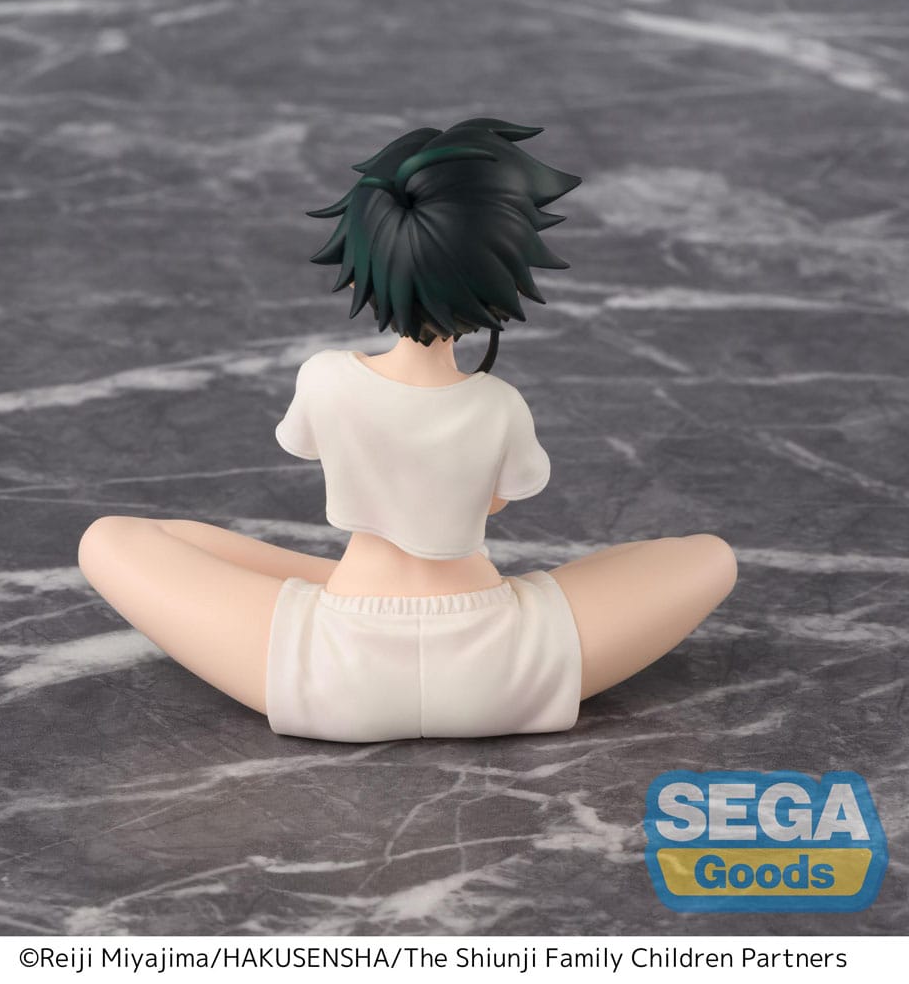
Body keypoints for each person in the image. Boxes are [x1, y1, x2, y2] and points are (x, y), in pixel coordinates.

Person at [77, 117, 738, 742]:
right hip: (506, 668)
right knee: (705, 555)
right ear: (500, 280)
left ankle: (337, 580)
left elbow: (304, 443)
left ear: (363, 264)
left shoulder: (325, 378)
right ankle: (345, 584)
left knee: (116, 539)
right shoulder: (498, 404)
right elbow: (499, 499)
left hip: (327, 675)